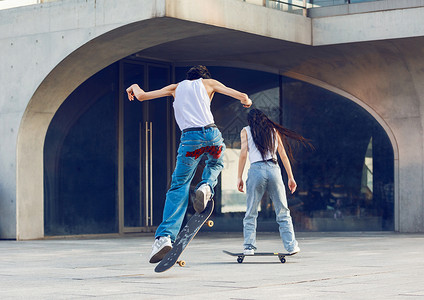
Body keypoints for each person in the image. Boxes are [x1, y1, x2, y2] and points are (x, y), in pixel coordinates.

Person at [126, 65, 252, 263]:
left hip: (190, 140)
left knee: (179, 185)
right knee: (216, 162)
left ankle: (165, 238)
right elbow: (242, 95)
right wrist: (247, 101)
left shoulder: (175, 87)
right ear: (203, 78)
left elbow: (141, 96)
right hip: (212, 135)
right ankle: (206, 186)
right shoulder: (209, 83)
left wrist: (133, 85)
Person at [237, 108, 311, 255]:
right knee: (283, 210)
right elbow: (283, 155)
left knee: (251, 211)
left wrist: (239, 176)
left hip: (256, 170)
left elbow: (243, 154)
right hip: (274, 169)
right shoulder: (273, 130)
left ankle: (249, 247)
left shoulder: (245, 130)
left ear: (250, 120)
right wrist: (290, 176)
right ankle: (291, 246)